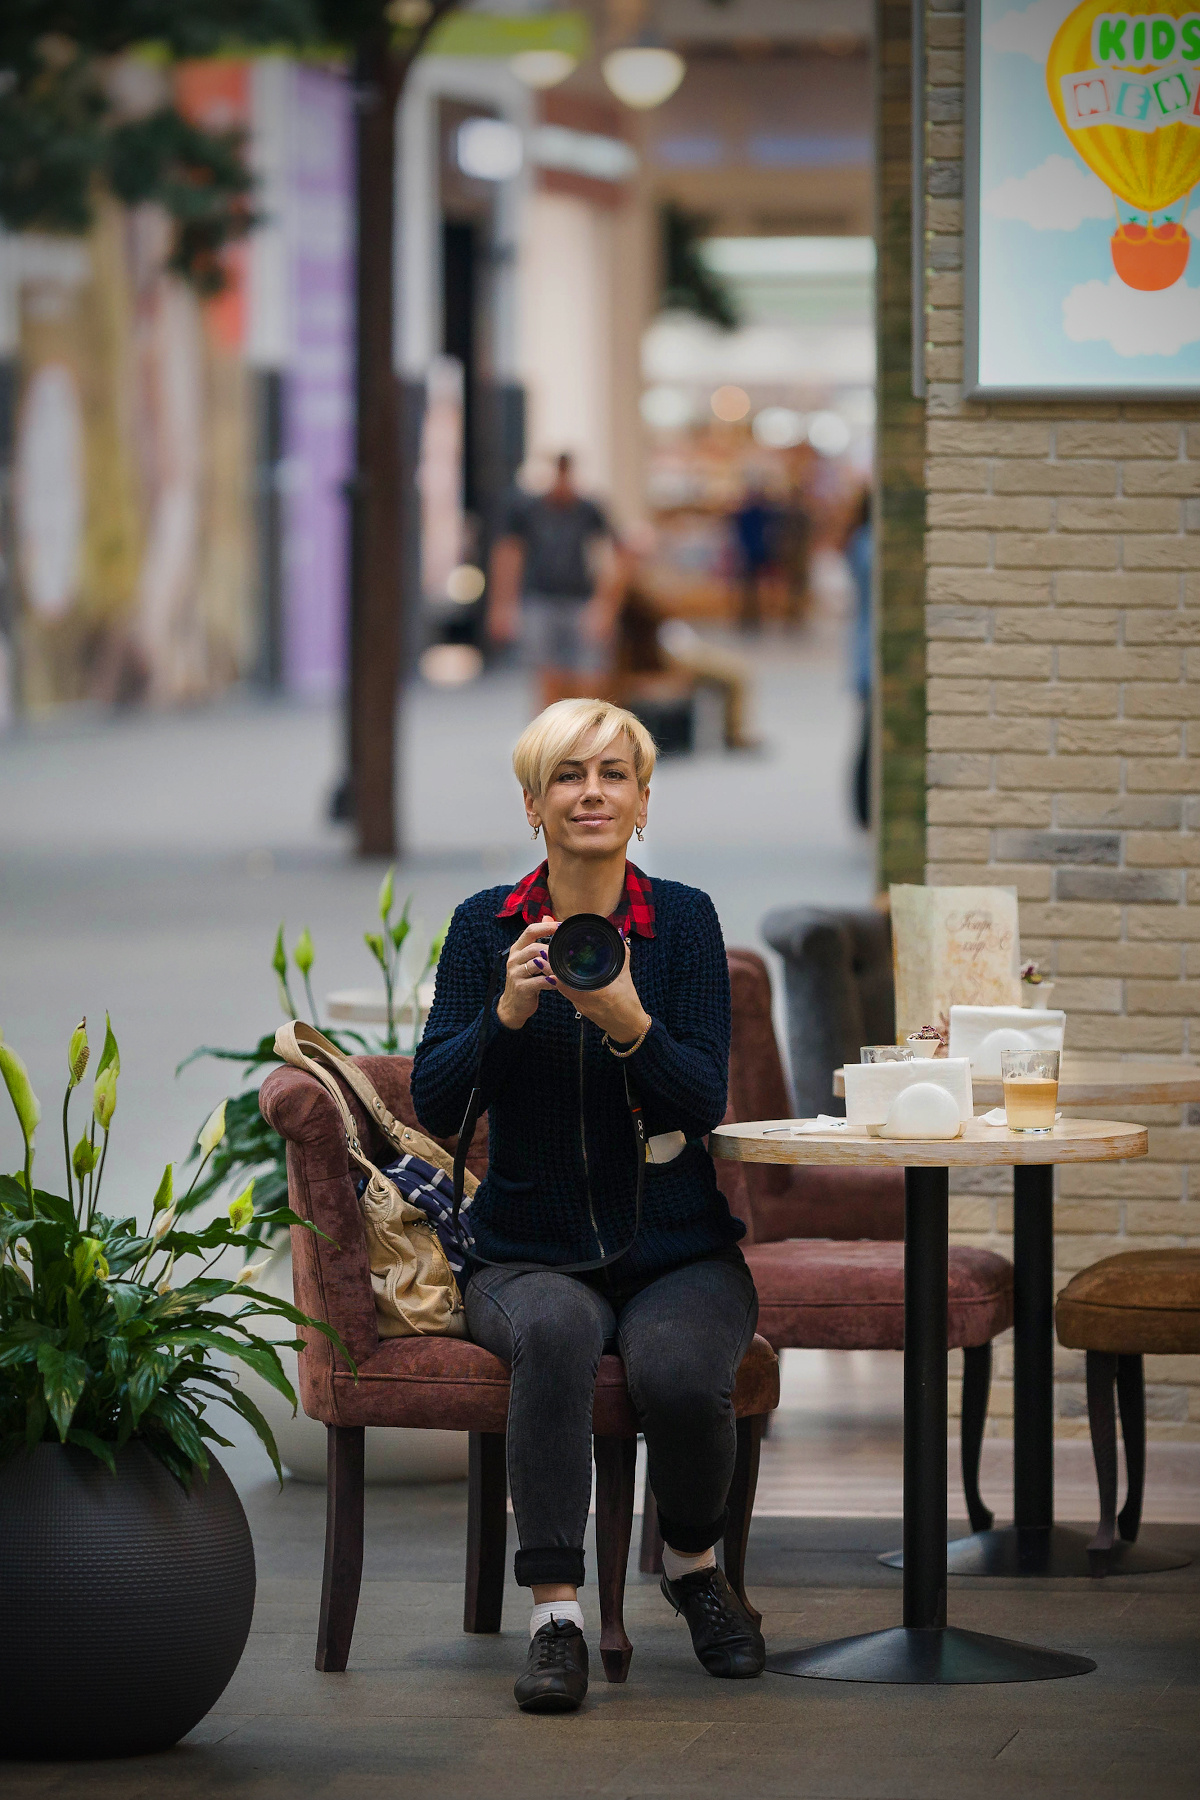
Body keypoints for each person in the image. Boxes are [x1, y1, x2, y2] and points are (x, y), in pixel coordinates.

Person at [411, 698, 763, 1714]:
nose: (592, 792)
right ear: (534, 804)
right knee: (557, 1335)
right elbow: (437, 1102)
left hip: (677, 1247)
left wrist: (628, 1021)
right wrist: (507, 1011)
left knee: (684, 1370)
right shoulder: (485, 926)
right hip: (527, 1250)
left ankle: (692, 1566)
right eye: (567, 775)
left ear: (643, 802)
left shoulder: (684, 922)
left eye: (614, 774)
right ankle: (555, 1618)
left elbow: (703, 1100)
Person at [488, 455, 619, 706]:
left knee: (589, 677)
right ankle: (551, 730)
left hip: (580, 602)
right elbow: (509, 555)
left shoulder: (589, 511)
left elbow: (609, 556)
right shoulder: (527, 510)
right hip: (540, 599)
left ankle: (583, 730)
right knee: (546, 676)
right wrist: (502, 605)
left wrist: (604, 604)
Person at [844, 487, 872, 828]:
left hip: (864, 650)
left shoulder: (860, 540)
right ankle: (864, 811)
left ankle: (865, 811)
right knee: (868, 737)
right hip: (868, 655)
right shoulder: (868, 543)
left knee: (867, 735)